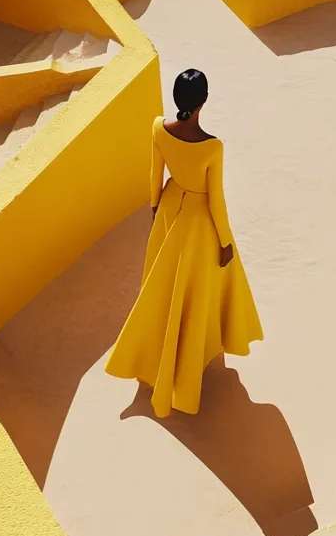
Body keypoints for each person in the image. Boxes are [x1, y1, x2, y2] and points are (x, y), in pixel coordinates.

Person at [106, 69, 263, 418]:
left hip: (168, 209)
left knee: (164, 288)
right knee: (192, 290)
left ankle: (158, 353)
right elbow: (216, 200)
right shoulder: (212, 146)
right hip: (196, 224)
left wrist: (155, 209)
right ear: (203, 101)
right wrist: (225, 242)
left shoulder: (158, 127)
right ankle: (188, 358)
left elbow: (154, 173)